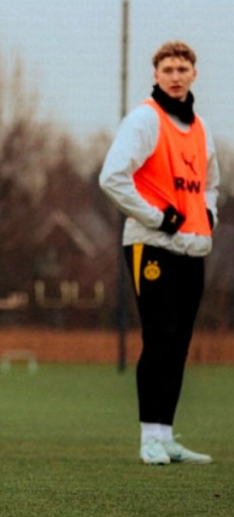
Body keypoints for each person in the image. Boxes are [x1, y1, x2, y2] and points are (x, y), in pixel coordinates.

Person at [99, 40, 218, 466]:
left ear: (194, 74)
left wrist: (209, 214)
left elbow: (211, 183)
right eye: (166, 68)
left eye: (182, 68)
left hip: (192, 248)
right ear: (155, 75)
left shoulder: (200, 128)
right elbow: (112, 177)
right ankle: (148, 436)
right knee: (160, 337)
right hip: (151, 245)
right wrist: (155, 217)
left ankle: (167, 436)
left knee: (179, 342)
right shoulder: (144, 121)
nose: (174, 75)